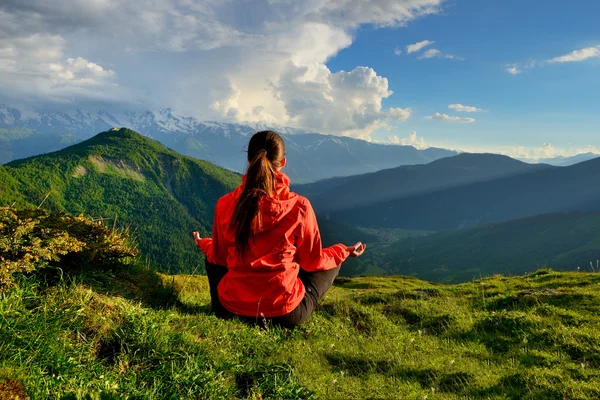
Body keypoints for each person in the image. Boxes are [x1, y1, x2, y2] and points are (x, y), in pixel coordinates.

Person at [192, 130, 366, 328]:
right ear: (282, 163)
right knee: (332, 261)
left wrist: (204, 243)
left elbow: (219, 257)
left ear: (249, 160)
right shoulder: (299, 206)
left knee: (212, 259)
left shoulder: (225, 204)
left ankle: (224, 306)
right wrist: (343, 251)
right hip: (282, 315)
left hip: (229, 309)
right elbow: (312, 261)